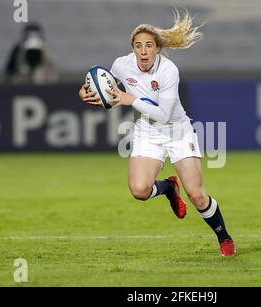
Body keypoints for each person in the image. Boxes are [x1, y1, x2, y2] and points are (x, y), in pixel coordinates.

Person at [78, 10, 235, 256]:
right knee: (140, 190)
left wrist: (131, 99)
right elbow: (102, 86)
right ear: (132, 48)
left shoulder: (168, 71)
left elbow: (163, 114)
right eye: (138, 46)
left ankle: (224, 238)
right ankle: (168, 188)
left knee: (196, 194)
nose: (143, 51)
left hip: (177, 131)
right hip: (147, 133)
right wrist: (85, 92)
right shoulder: (122, 64)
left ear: (158, 49)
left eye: (148, 45)